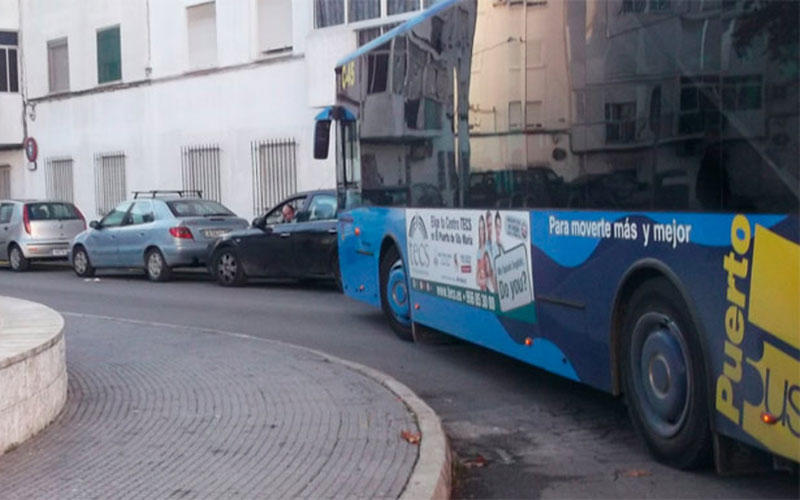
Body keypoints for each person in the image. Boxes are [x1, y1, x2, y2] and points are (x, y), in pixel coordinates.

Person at [476, 215, 487, 291]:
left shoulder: (489, 248)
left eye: (483, 228)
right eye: (480, 229)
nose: (481, 232)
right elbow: (476, 279)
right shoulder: (479, 251)